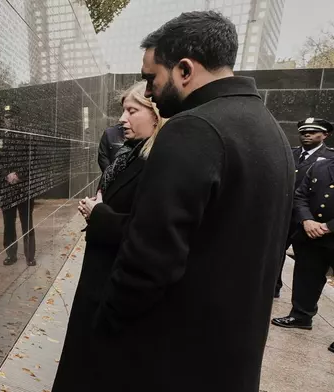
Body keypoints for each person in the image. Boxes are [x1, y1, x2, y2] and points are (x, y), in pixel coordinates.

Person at [85, 11, 293, 392]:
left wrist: (105, 323)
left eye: (151, 78)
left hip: (171, 357)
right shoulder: (270, 129)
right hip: (229, 357)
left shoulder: (193, 128)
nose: (148, 92)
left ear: (183, 69)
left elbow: (150, 259)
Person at [52, 80, 165, 391]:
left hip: (116, 283)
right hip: (100, 274)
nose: (122, 119)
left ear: (155, 114)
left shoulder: (159, 162)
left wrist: (99, 214)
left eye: (132, 110)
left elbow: (149, 230)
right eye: (122, 111)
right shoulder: (130, 154)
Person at [271, 127, 334, 353]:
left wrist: (328, 226)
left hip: (328, 232)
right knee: (307, 275)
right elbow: (301, 195)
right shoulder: (321, 166)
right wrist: (307, 220)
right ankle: (301, 316)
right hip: (311, 234)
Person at [275, 118, 334, 297]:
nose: (307, 135)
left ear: (325, 135)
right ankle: (273, 286)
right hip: (284, 212)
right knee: (275, 252)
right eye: (303, 132)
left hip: (311, 219)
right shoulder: (288, 153)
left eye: (313, 132)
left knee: (307, 263)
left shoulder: (330, 159)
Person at [0, 104, 36, 266]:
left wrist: (18, 174)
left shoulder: (25, 137)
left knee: (26, 222)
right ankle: (11, 254)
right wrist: (6, 174)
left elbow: (32, 159)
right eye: (7, 117)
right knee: (8, 224)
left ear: (17, 119)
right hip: (7, 189)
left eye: (12, 117)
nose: (9, 120)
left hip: (23, 188)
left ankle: (30, 256)